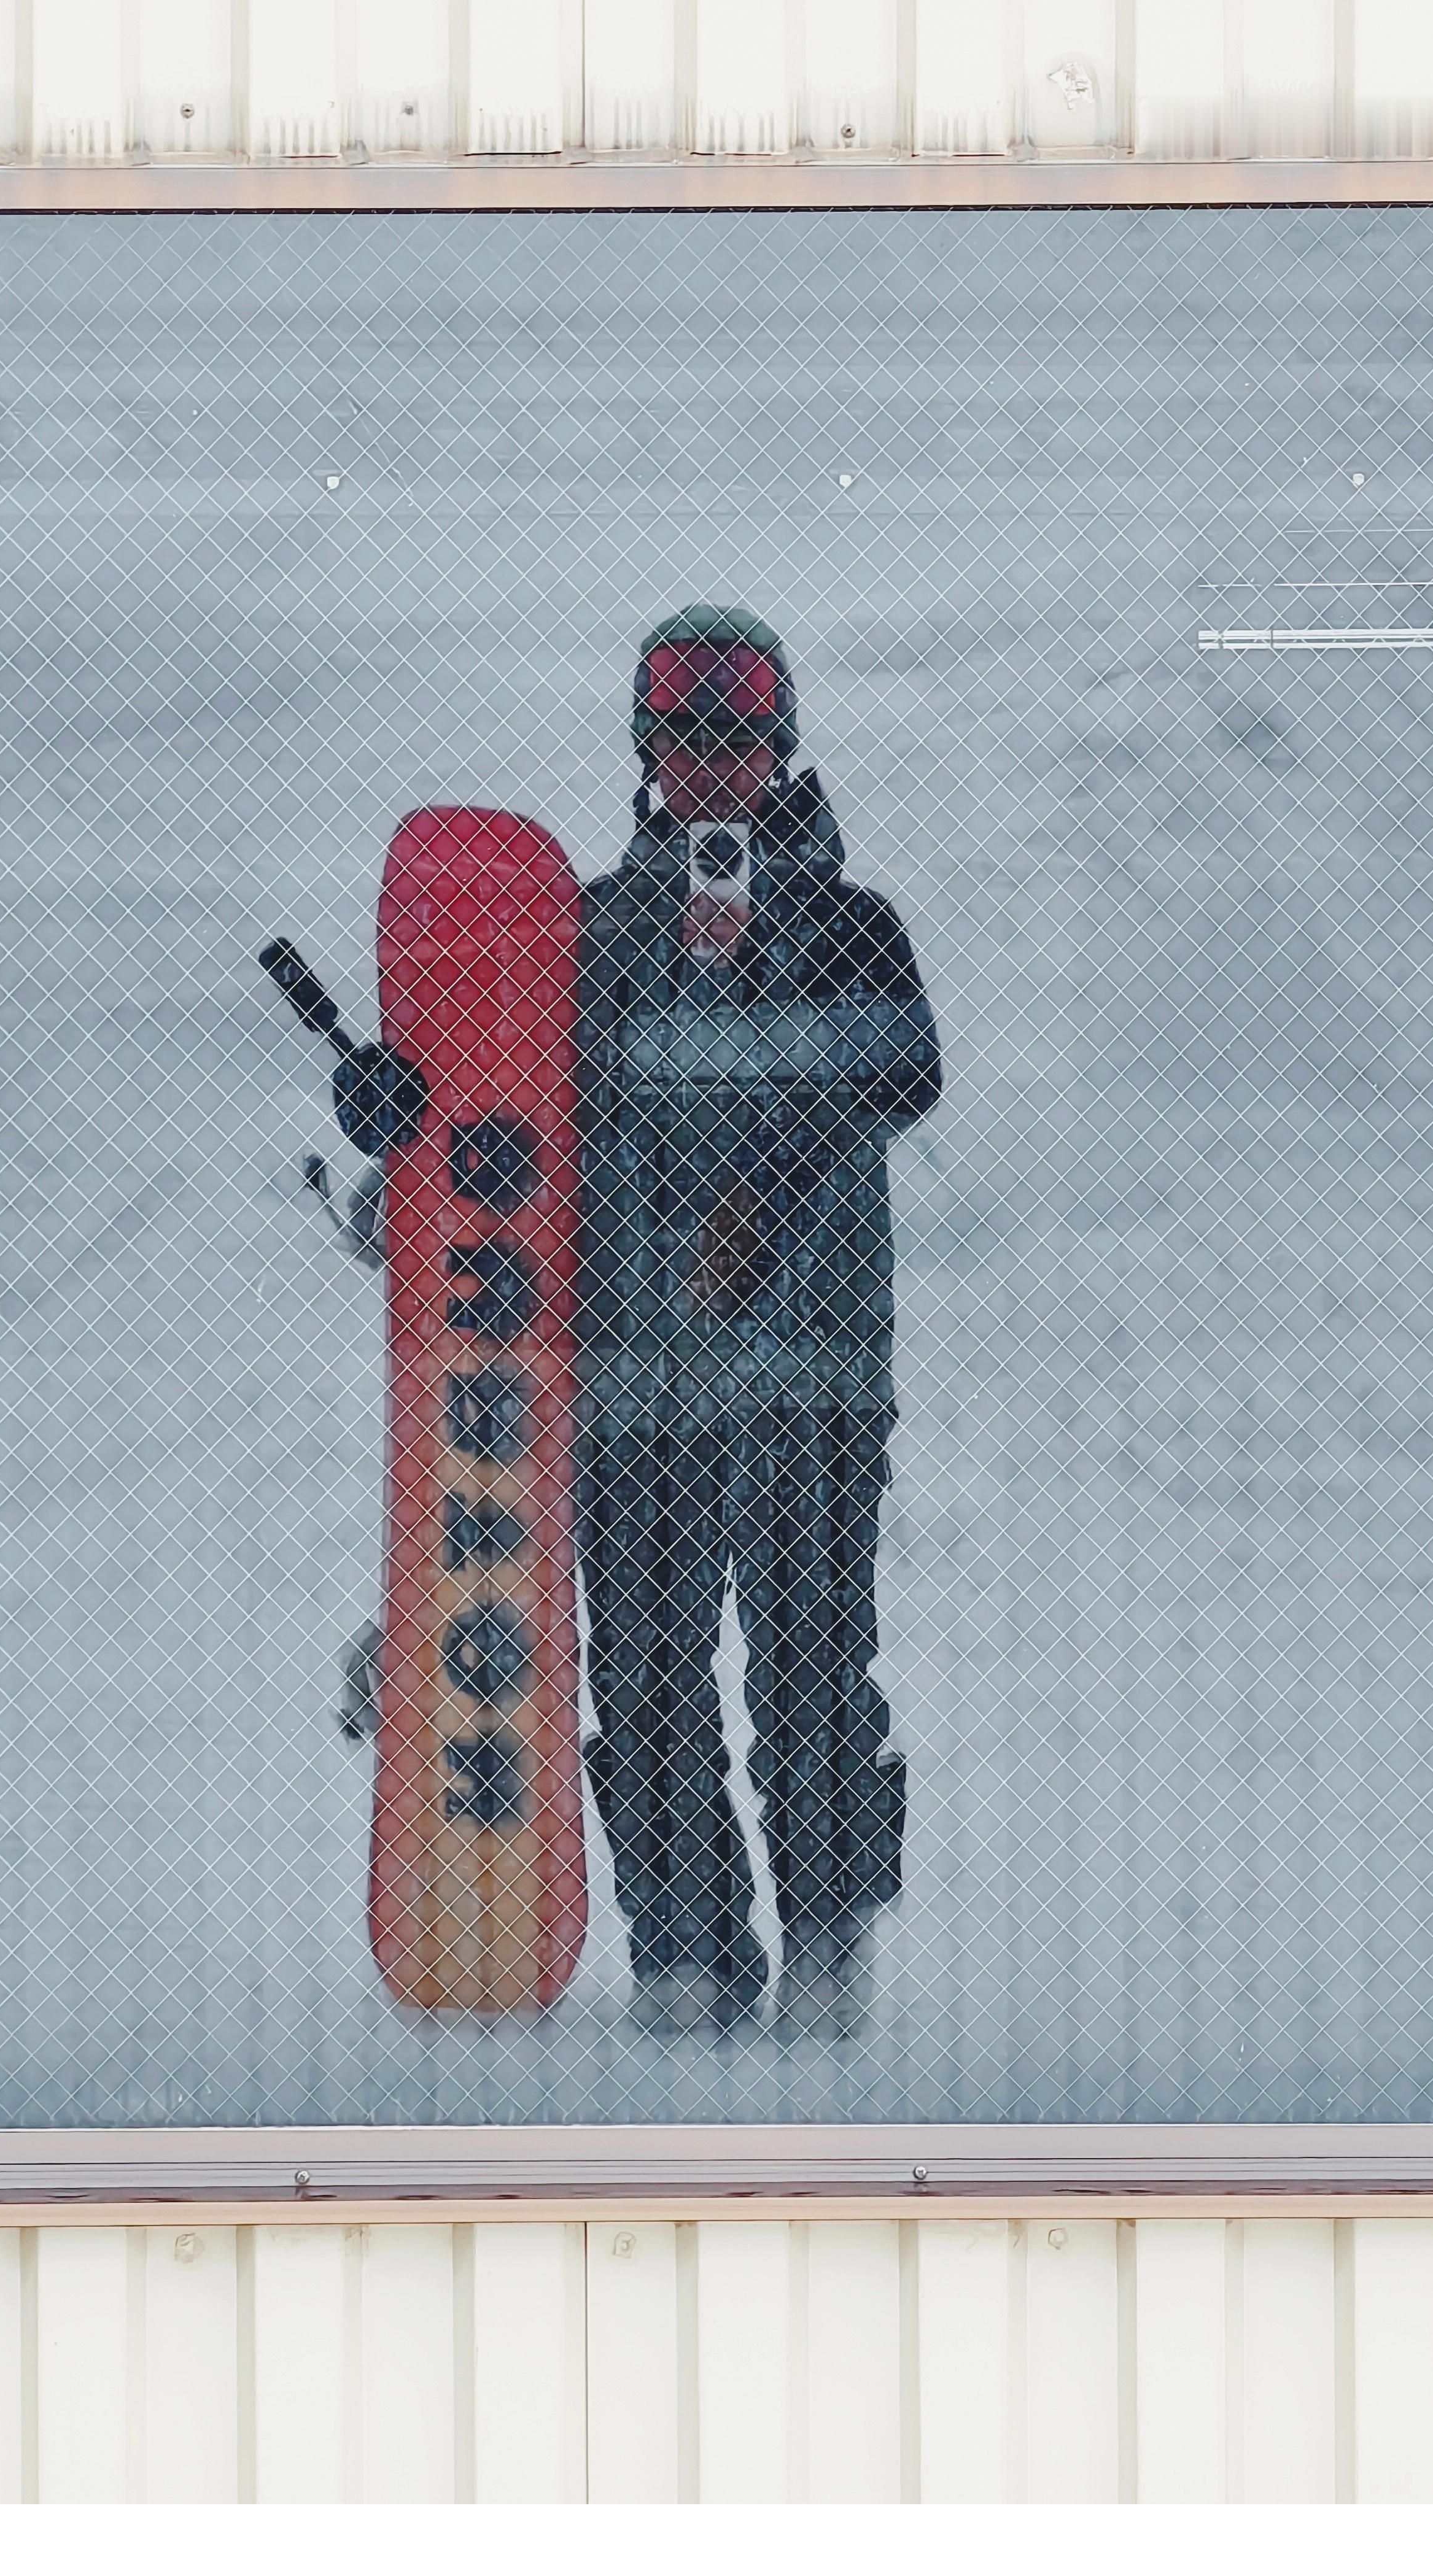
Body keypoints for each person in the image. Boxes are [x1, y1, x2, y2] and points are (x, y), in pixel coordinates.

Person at [329, 607, 941, 2042]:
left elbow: (906, 1068)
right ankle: (683, 1960)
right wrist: (398, 1131)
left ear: (780, 744)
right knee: (652, 1676)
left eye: (737, 733)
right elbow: (502, 1119)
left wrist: (766, 1182)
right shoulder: (583, 934)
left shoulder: (855, 927)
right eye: (683, 734)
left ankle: (831, 1955)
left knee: (808, 1661)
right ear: (648, 752)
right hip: (638, 1384)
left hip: (808, 1376)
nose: (712, 763)